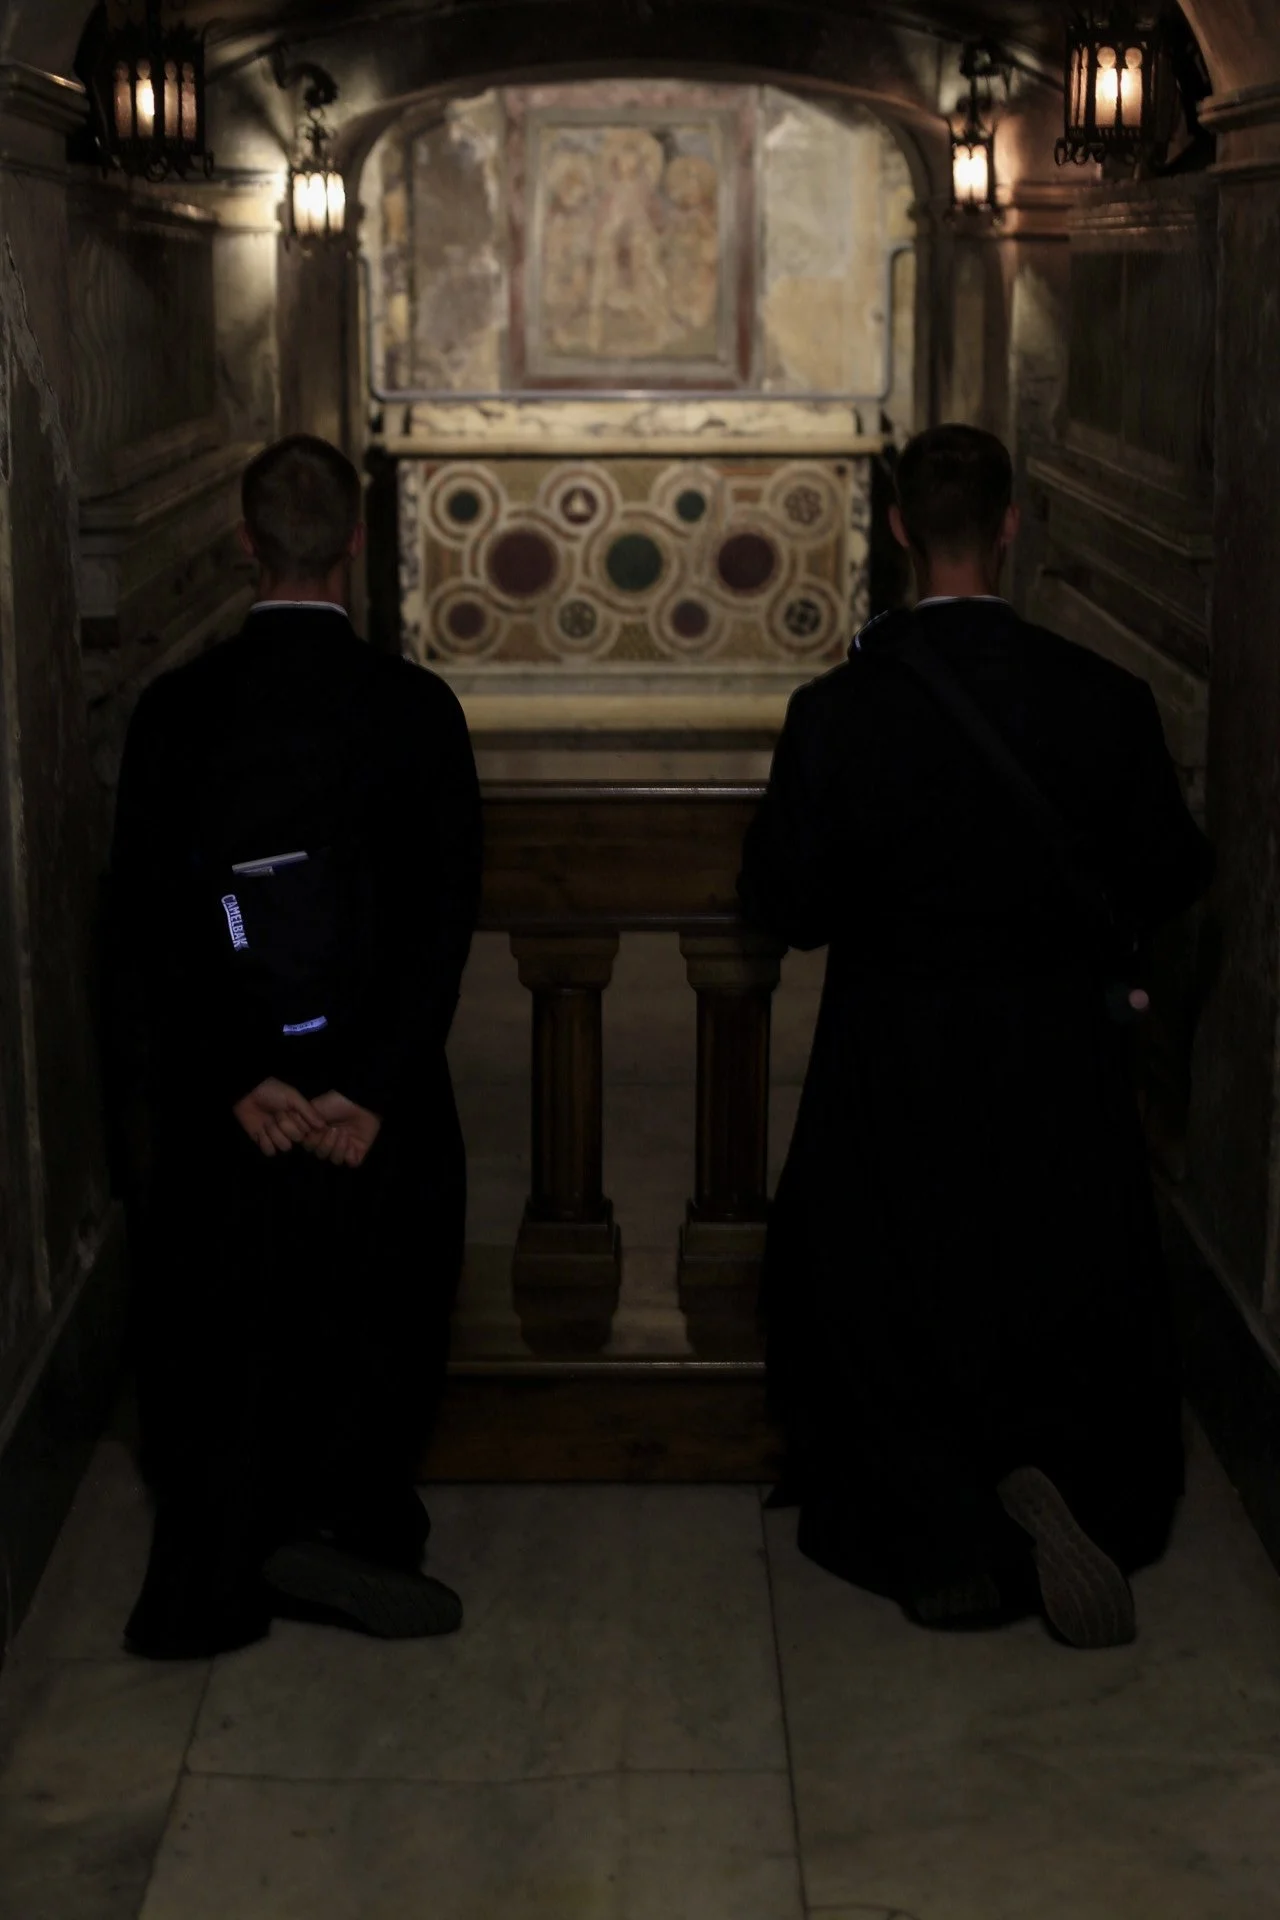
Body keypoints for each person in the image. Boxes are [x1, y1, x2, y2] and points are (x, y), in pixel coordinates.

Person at [739, 424, 1214, 1650]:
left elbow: (780, 910)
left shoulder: (835, 713)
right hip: (1054, 1048)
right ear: (1010, 527)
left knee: (891, 1271)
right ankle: (1066, 1479)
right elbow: (1171, 876)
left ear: (894, 528)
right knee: (1054, 1260)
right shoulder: (1102, 701)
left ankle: (938, 1527)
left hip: (893, 1047)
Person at [110, 434, 482, 1658]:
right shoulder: (416, 710)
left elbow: (151, 922)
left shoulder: (175, 712)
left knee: (229, 1315)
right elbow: (442, 920)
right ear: (359, 543)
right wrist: (368, 1090)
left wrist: (235, 1077)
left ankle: (241, 1540)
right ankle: (354, 1521)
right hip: (378, 1105)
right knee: (381, 1306)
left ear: (242, 542)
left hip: (239, 1106)